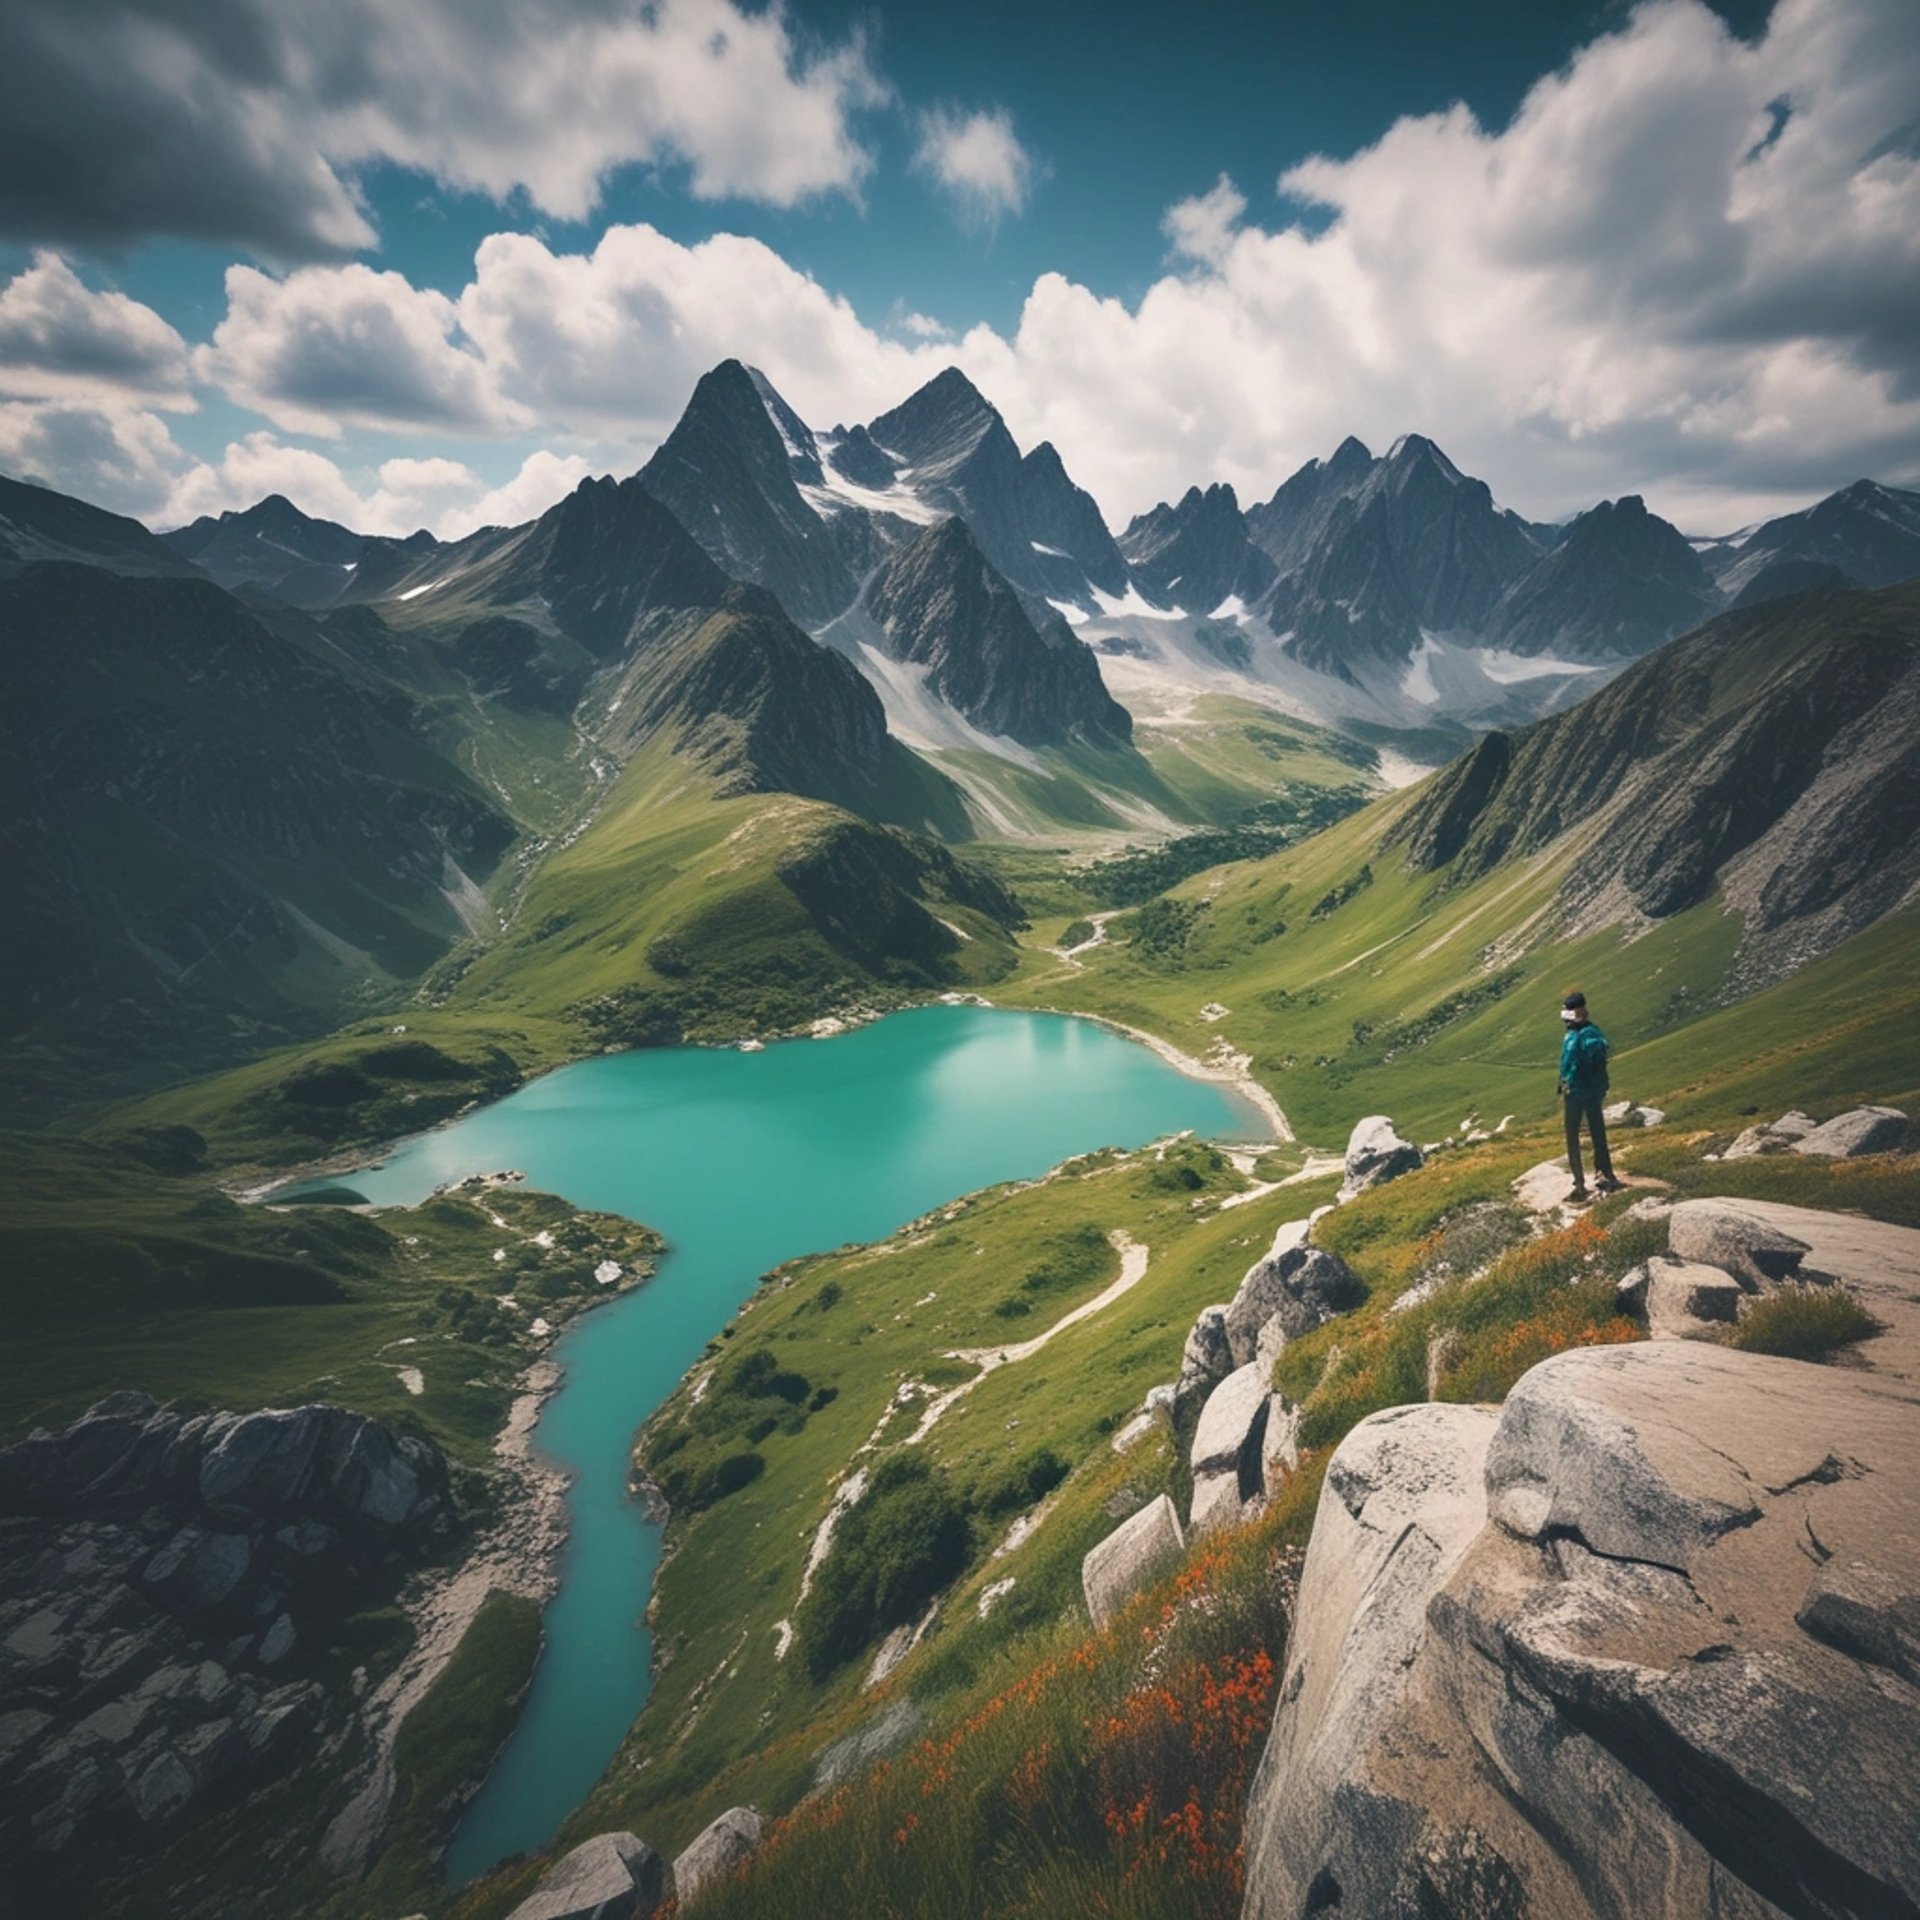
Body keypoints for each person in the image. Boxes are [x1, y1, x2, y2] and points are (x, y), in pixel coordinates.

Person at [1558, 990, 1620, 1203]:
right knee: (1595, 1132)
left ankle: (1585, 1183)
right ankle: (1601, 1176)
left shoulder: (1583, 1034)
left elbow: (1574, 1064)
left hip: (1579, 1091)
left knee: (1575, 1136)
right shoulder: (1582, 1032)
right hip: (1586, 1090)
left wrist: (1568, 1082)